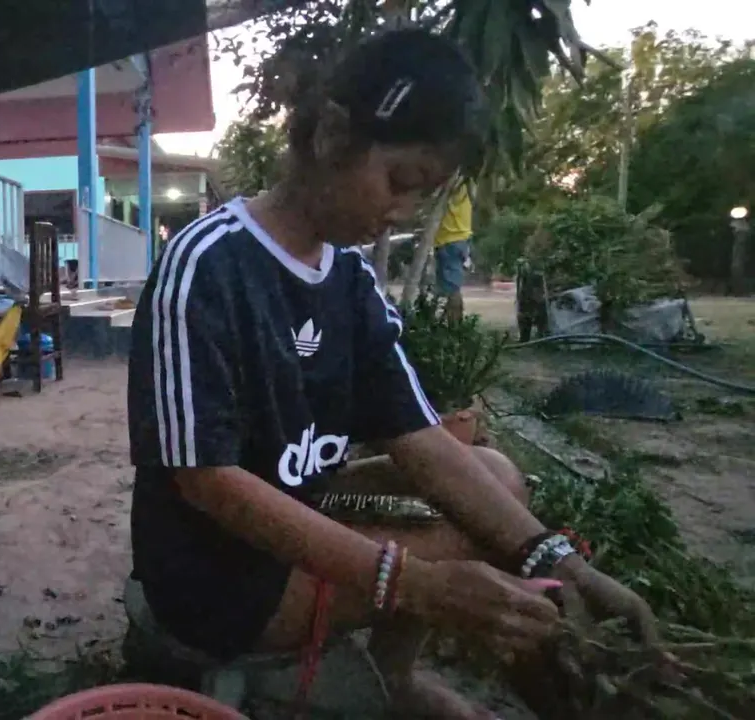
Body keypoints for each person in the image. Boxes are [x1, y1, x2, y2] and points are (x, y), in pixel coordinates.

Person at [126, 29, 657, 719]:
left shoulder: (348, 279)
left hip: (303, 515)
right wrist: (420, 586)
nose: (400, 213)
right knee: (469, 547)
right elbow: (208, 483)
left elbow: (420, 438)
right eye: (399, 182)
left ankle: (395, 676)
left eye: (421, 194)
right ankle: (414, 683)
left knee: (492, 474)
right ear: (331, 135)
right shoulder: (208, 266)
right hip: (215, 579)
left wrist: (562, 561)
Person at [433, 181, 474, 322]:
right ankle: (452, 322)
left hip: (449, 239)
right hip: (459, 237)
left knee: (451, 289)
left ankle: (455, 324)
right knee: (450, 287)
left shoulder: (451, 181)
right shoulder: (465, 183)